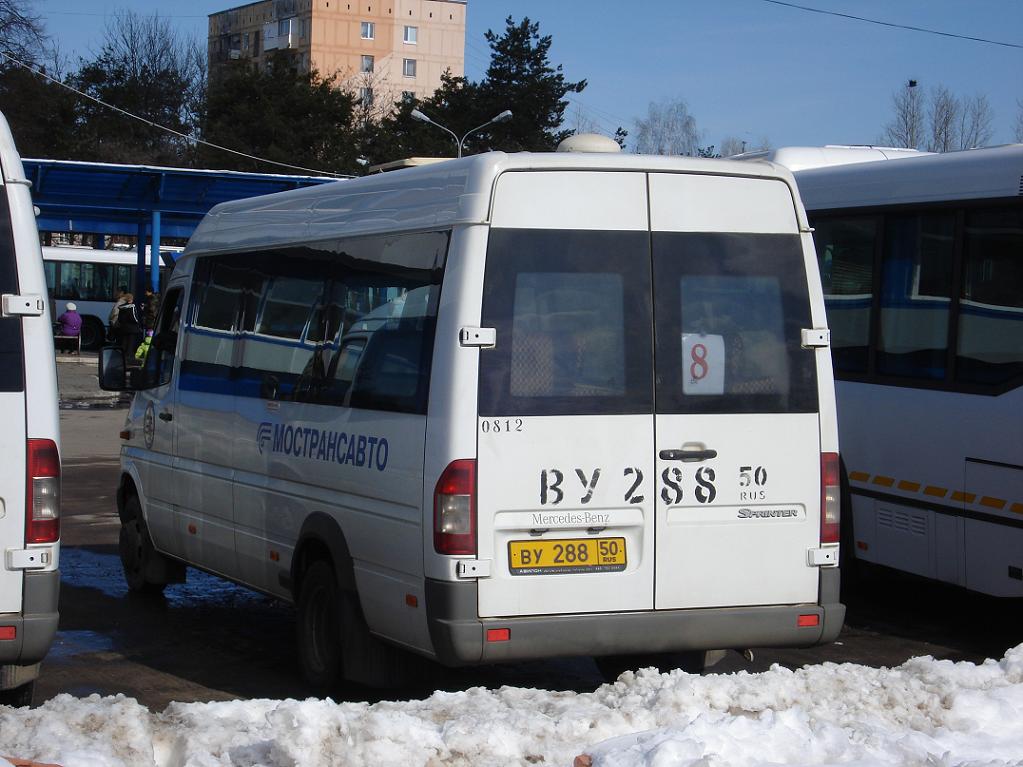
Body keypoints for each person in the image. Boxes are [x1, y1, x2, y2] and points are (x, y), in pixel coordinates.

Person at [115, 293, 143, 363]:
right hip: (132, 328)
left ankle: (122, 356)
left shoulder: (121, 307)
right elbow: (134, 317)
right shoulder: (132, 306)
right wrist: (138, 322)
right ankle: (129, 357)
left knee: (124, 342)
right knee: (131, 344)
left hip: (124, 328)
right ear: (131, 299)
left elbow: (119, 319)